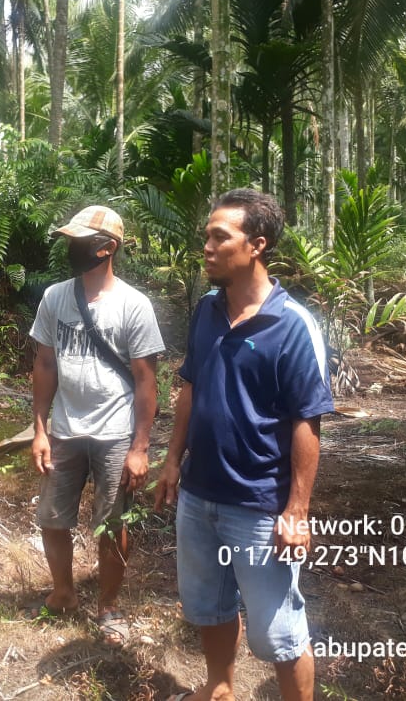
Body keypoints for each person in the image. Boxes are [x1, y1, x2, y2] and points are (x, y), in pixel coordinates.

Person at [155, 189, 334, 701]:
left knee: (278, 635)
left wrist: (297, 509)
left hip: (259, 504)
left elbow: (307, 421)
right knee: (210, 608)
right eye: (205, 237)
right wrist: (172, 461)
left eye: (219, 237)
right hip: (199, 494)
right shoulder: (207, 310)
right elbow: (191, 385)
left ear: (256, 245)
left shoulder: (292, 325)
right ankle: (220, 690)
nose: (206, 247)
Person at [28, 205, 164, 645]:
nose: (72, 248)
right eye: (71, 240)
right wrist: (40, 429)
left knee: (112, 523)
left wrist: (140, 447)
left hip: (115, 433)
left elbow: (146, 380)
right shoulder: (54, 298)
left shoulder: (133, 305)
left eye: (81, 242)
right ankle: (64, 594)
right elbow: (45, 364)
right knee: (52, 518)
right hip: (66, 430)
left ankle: (108, 606)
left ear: (107, 249)